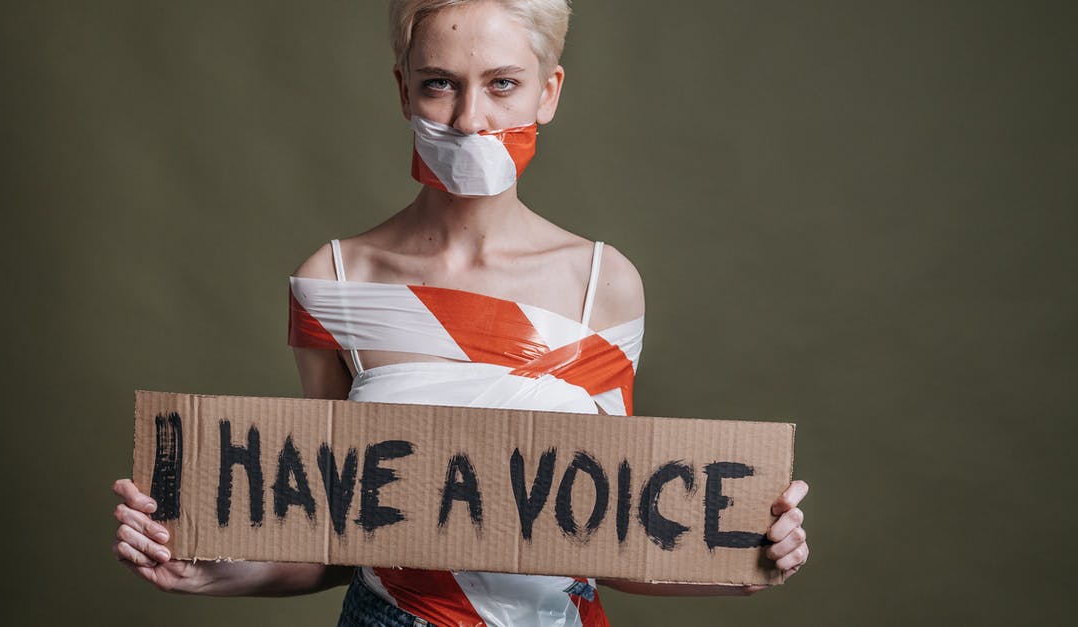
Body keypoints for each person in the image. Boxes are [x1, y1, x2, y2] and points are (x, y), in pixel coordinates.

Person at [112, 1, 810, 624]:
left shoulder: (605, 285)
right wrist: (217, 572)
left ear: (549, 92)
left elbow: (613, 538)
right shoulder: (334, 279)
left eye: (502, 83)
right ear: (403, 91)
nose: (471, 119)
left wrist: (743, 560)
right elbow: (335, 535)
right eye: (439, 83)